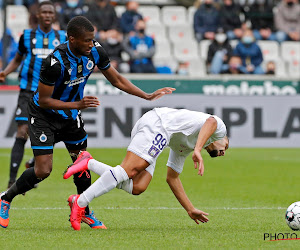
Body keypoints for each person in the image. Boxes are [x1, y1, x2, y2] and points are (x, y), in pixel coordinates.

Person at [0, 16, 175, 229]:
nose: (92, 44)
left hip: (71, 117)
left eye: (93, 39)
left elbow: (117, 80)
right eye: (87, 40)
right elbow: (44, 100)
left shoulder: (95, 52)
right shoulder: (54, 63)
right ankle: (6, 198)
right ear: (72, 39)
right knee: (43, 170)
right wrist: (78, 104)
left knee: (82, 162)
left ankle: (84, 210)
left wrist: (146, 96)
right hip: (44, 115)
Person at [63, 107, 229, 230]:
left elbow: (172, 178)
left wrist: (190, 209)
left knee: (138, 186)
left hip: (157, 130)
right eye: (226, 147)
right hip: (158, 124)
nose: (224, 152)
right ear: (224, 139)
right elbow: (211, 122)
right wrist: (199, 149)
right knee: (130, 170)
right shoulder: (219, 128)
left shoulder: (185, 147)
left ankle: (88, 162)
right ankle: (81, 201)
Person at [0, 1, 66, 189]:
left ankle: (33, 164)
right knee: (22, 132)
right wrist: (6, 71)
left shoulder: (61, 37)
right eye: (43, 12)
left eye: (50, 12)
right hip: (28, 90)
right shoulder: (27, 36)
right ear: (37, 15)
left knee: (53, 132)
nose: (46, 15)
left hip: (51, 93)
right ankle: (12, 180)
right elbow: (18, 59)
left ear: (54, 16)